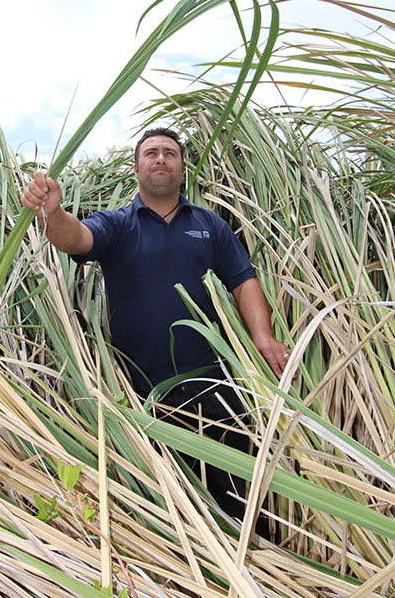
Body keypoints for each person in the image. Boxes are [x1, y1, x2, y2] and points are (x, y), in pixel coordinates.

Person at [21, 127, 291, 527]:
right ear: (136, 168)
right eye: (151, 153)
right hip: (144, 394)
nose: (161, 159)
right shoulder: (116, 224)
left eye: (170, 153)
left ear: (182, 168)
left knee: (242, 497)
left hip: (217, 385)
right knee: (175, 511)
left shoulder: (210, 225)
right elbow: (75, 238)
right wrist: (53, 213)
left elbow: (243, 280)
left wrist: (263, 338)